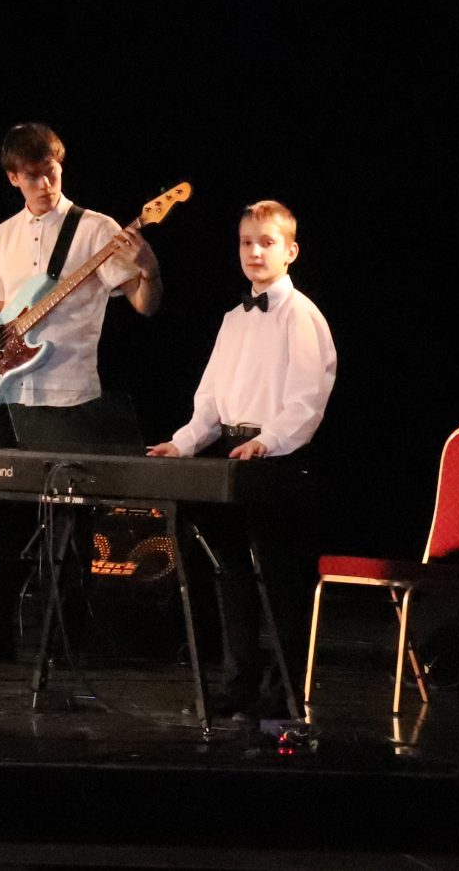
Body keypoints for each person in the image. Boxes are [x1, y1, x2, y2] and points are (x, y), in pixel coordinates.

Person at [0, 122, 163, 657]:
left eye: (51, 171)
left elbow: (144, 305)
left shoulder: (96, 229)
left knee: (73, 525)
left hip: (68, 394)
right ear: (13, 178)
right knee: (4, 520)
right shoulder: (0, 236)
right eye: (32, 176)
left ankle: (68, 638)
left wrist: (149, 270)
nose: (45, 184)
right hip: (7, 396)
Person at [149, 199, 336, 718]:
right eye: (246, 243)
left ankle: (283, 692)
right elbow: (210, 399)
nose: (254, 252)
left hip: (278, 460)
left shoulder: (301, 316)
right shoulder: (234, 319)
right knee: (229, 570)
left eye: (267, 243)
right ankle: (240, 682)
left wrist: (267, 441)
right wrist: (184, 443)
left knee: (279, 578)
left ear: (290, 251)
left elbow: (306, 400)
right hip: (231, 458)